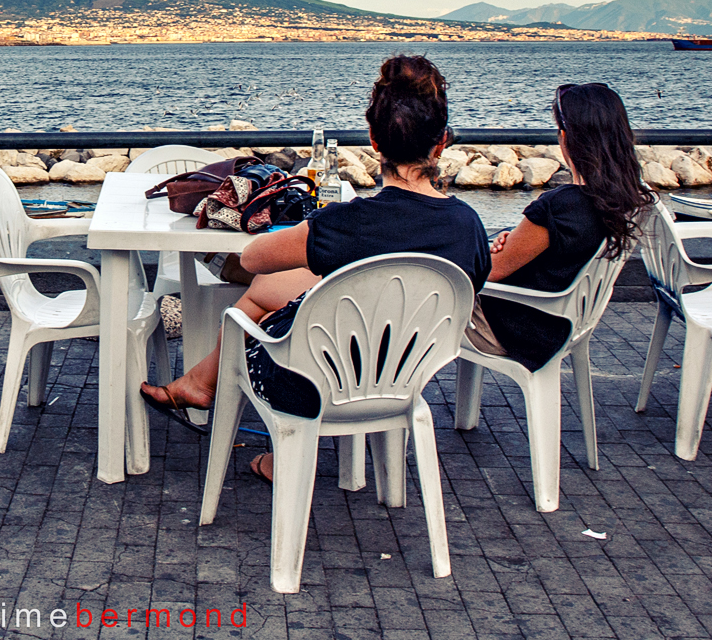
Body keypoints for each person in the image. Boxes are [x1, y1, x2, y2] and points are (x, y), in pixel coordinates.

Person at [140, 55, 491, 482]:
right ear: (442, 143)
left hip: (313, 381)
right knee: (287, 296)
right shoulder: (468, 225)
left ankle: (254, 427)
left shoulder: (347, 223)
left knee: (265, 311)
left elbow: (251, 259)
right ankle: (208, 392)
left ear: (373, 141)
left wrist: (311, 234)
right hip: (404, 377)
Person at [476, 82, 653, 369]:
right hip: (564, 323)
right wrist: (518, 241)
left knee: (432, 294)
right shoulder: (619, 198)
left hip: (521, 330)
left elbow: (491, 271)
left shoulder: (560, 206)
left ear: (565, 137)